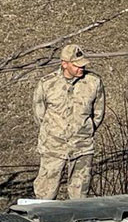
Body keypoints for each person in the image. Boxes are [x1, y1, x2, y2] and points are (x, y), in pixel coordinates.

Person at [32, 44, 105, 200]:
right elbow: (39, 114)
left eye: (83, 65)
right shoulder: (47, 84)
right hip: (53, 147)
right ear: (64, 64)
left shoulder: (93, 82)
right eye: (77, 65)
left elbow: (98, 113)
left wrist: (86, 130)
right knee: (45, 194)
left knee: (79, 195)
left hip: (82, 147)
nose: (81, 69)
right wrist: (54, 131)